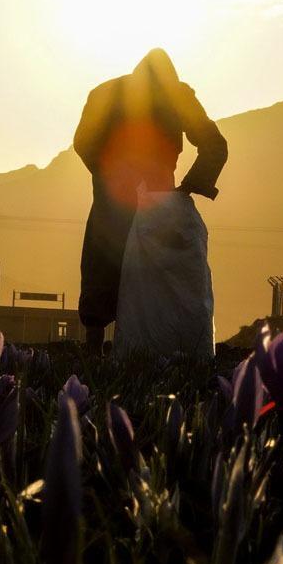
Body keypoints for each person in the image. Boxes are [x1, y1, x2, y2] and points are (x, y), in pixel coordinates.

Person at [75, 48, 228, 354]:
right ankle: (98, 354)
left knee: (128, 276)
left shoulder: (174, 96)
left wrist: (189, 187)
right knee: (112, 274)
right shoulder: (119, 95)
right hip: (128, 199)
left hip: (150, 203)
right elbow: (84, 142)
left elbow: (215, 144)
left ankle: (119, 352)